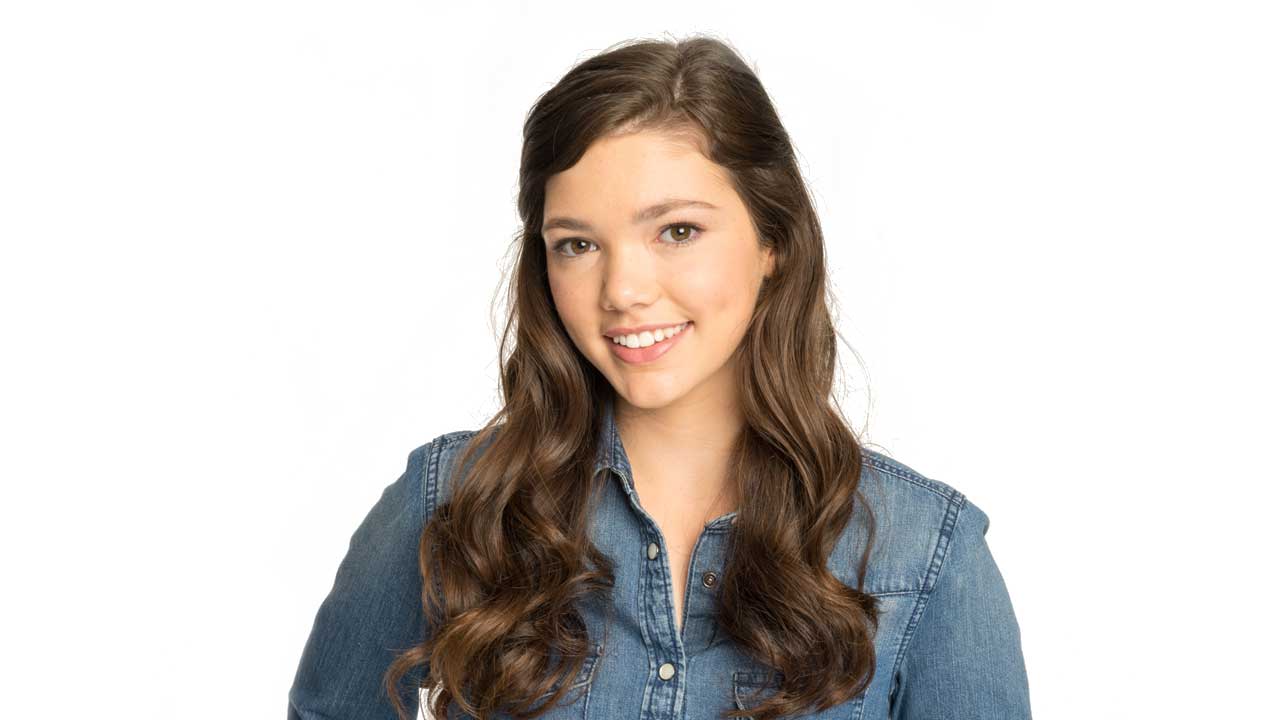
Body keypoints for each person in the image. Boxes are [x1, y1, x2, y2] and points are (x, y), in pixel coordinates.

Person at [288, 35, 1031, 720]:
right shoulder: (451, 503)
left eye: (677, 231)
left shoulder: (926, 552)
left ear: (773, 241)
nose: (622, 290)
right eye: (577, 244)